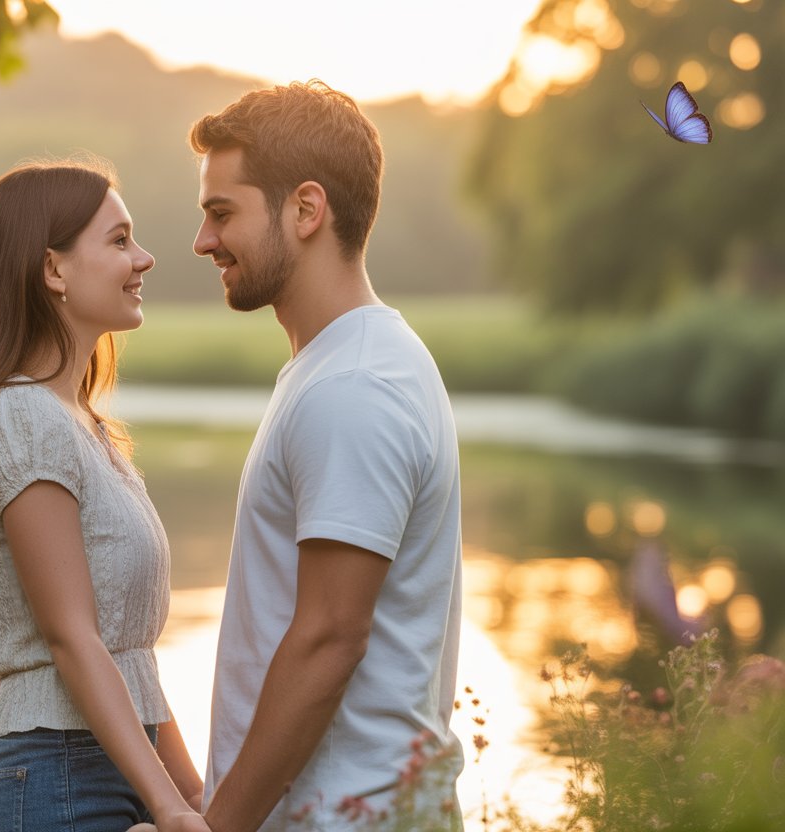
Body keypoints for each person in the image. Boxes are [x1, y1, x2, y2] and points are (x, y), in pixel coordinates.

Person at [189, 81, 465, 830]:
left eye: (222, 213)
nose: (203, 241)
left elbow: (328, 637)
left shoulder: (354, 385)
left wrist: (219, 827)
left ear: (306, 210)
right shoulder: (340, 366)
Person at [0, 160, 208, 832]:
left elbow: (129, 656)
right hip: (48, 780)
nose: (146, 258)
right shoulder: (23, 420)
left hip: (110, 766)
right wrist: (164, 803)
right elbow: (71, 638)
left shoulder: (83, 426)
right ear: (53, 270)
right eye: (120, 240)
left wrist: (191, 794)